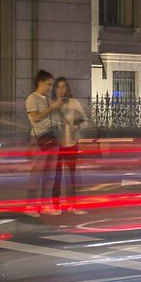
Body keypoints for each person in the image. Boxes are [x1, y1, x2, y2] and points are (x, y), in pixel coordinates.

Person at [46, 76, 88, 211]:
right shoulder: (51, 104)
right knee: (57, 176)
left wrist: (77, 126)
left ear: (67, 89)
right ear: (54, 89)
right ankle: (55, 204)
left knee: (71, 176)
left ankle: (72, 205)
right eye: (58, 87)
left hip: (71, 144)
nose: (60, 90)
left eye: (63, 87)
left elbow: (84, 120)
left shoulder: (73, 103)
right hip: (57, 145)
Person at [24, 69, 58, 215]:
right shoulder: (32, 98)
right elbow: (35, 118)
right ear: (40, 82)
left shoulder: (49, 100)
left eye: (51, 85)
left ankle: (46, 203)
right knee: (37, 172)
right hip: (39, 139)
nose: (50, 88)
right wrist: (51, 108)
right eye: (48, 84)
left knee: (49, 173)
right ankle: (30, 206)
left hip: (52, 138)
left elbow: (55, 118)